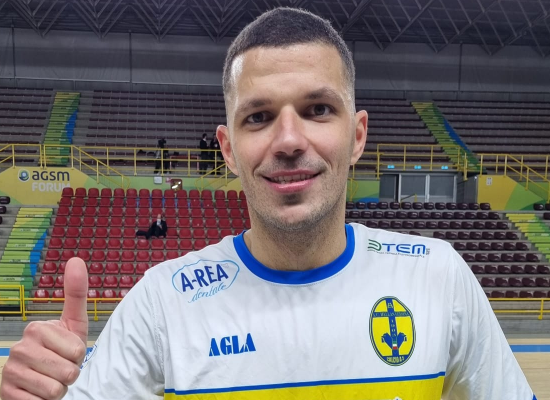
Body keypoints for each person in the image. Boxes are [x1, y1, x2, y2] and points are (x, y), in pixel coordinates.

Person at [0, 8, 536, 400]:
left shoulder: (439, 277)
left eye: (318, 109)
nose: (289, 140)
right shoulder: (162, 303)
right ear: (228, 149)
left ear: (357, 135)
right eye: (258, 117)